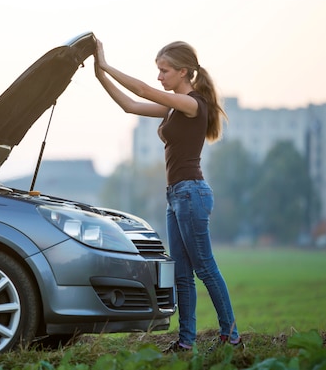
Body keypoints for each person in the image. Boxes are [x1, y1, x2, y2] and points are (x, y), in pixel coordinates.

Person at [93, 38, 242, 352]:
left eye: (164, 70)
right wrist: (100, 75)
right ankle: (186, 342)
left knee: (205, 268)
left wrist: (106, 63)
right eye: (158, 71)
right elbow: (130, 105)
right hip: (176, 196)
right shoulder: (174, 107)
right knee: (182, 275)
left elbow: (143, 92)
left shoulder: (192, 104)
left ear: (183, 72)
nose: (159, 76)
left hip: (191, 194)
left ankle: (232, 336)